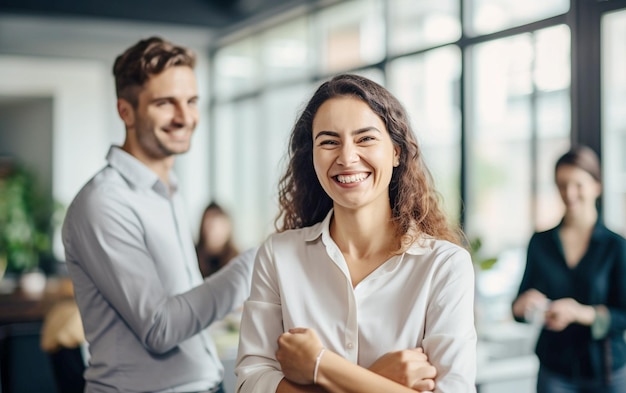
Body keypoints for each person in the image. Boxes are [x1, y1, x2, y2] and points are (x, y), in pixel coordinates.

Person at [235, 74, 477, 393]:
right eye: (329, 141)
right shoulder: (278, 255)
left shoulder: (445, 265)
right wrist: (379, 379)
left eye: (365, 139)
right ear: (312, 155)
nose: (347, 158)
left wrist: (319, 365)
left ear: (396, 152)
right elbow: (251, 383)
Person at [62, 36, 255, 393]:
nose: (185, 117)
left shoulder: (166, 191)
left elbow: (185, 304)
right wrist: (259, 262)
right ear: (126, 111)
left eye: (192, 101)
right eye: (166, 103)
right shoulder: (105, 202)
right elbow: (159, 328)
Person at [512, 145, 626, 392]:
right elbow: (518, 307)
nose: (569, 193)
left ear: (597, 186)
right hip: (555, 370)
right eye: (562, 184)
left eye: (578, 184)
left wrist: (580, 313)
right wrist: (523, 305)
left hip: (607, 372)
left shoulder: (616, 246)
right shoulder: (540, 242)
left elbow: (623, 315)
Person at [196, 201, 240, 278]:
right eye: (209, 225)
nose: (213, 231)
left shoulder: (237, 259)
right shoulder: (194, 256)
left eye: (218, 225)